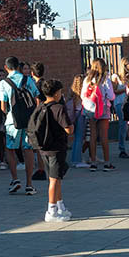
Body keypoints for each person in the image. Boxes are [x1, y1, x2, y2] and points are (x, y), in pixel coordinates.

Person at [0, 57, 40, 194]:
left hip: (12, 121)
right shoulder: (28, 80)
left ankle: (15, 179)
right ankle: (29, 183)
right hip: (28, 120)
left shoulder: (4, 83)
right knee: (28, 150)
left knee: (10, 149)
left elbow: (3, 107)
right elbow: (36, 97)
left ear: (6, 67)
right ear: (18, 66)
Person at [34, 79, 75, 222]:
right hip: (57, 148)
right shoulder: (58, 108)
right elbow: (68, 129)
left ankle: (60, 205)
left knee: (57, 178)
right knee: (54, 179)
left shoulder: (41, 106)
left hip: (44, 148)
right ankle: (51, 211)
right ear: (57, 93)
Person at [80, 58, 116, 172]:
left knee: (92, 136)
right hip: (103, 109)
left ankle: (93, 162)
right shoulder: (106, 80)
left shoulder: (87, 79)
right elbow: (111, 96)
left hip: (90, 109)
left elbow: (82, 95)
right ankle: (107, 163)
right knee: (104, 136)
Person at [112, 58, 129, 159]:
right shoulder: (116, 76)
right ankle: (122, 149)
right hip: (120, 102)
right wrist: (125, 89)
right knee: (123, 125)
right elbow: (114, 91)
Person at [65, 76, 88, 168]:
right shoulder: (83, 92)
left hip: (73, 115)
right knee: (79, 137)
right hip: (81, 114)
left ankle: (74, 159)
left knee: (76, 138)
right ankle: (77, 160)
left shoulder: (72, 92)